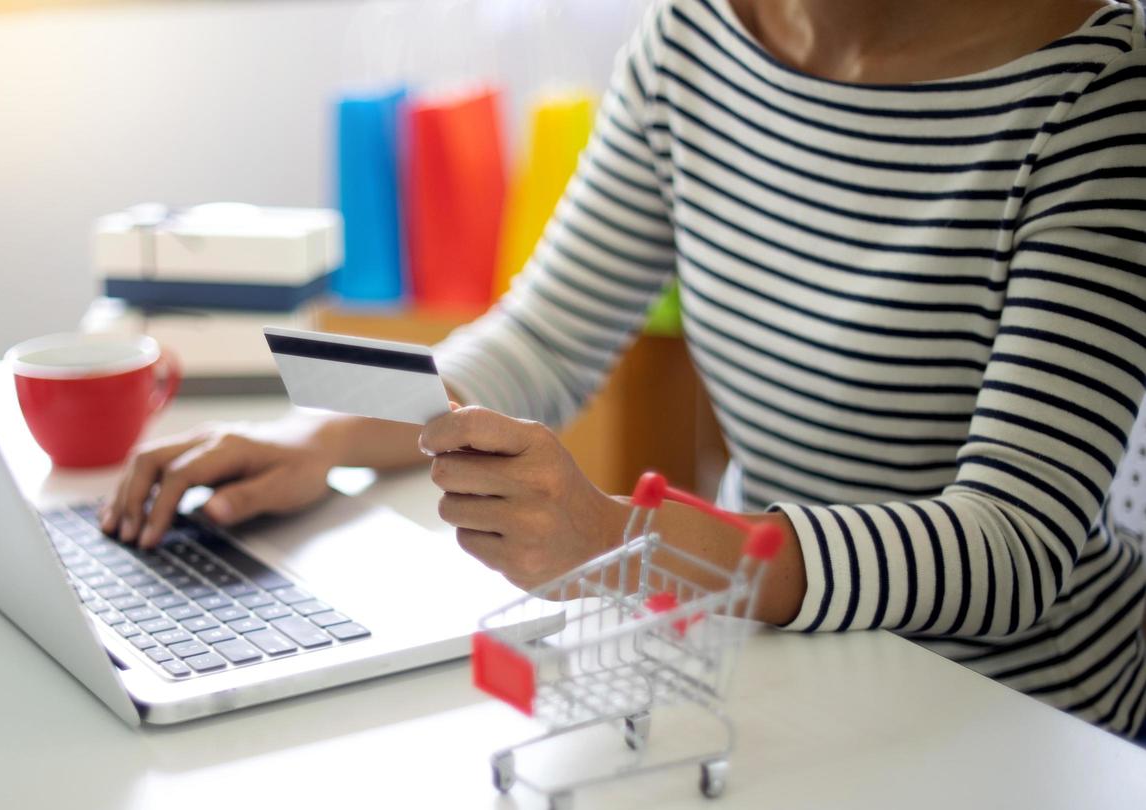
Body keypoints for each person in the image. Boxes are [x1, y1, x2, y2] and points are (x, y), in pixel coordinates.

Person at [103, 0, 1146, 739]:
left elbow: (1014, 548)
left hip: (1023, 716)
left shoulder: (1098, 99)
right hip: (789, 657)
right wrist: (327, 435)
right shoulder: (693, 38)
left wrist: (623, 540)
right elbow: (546, 338)